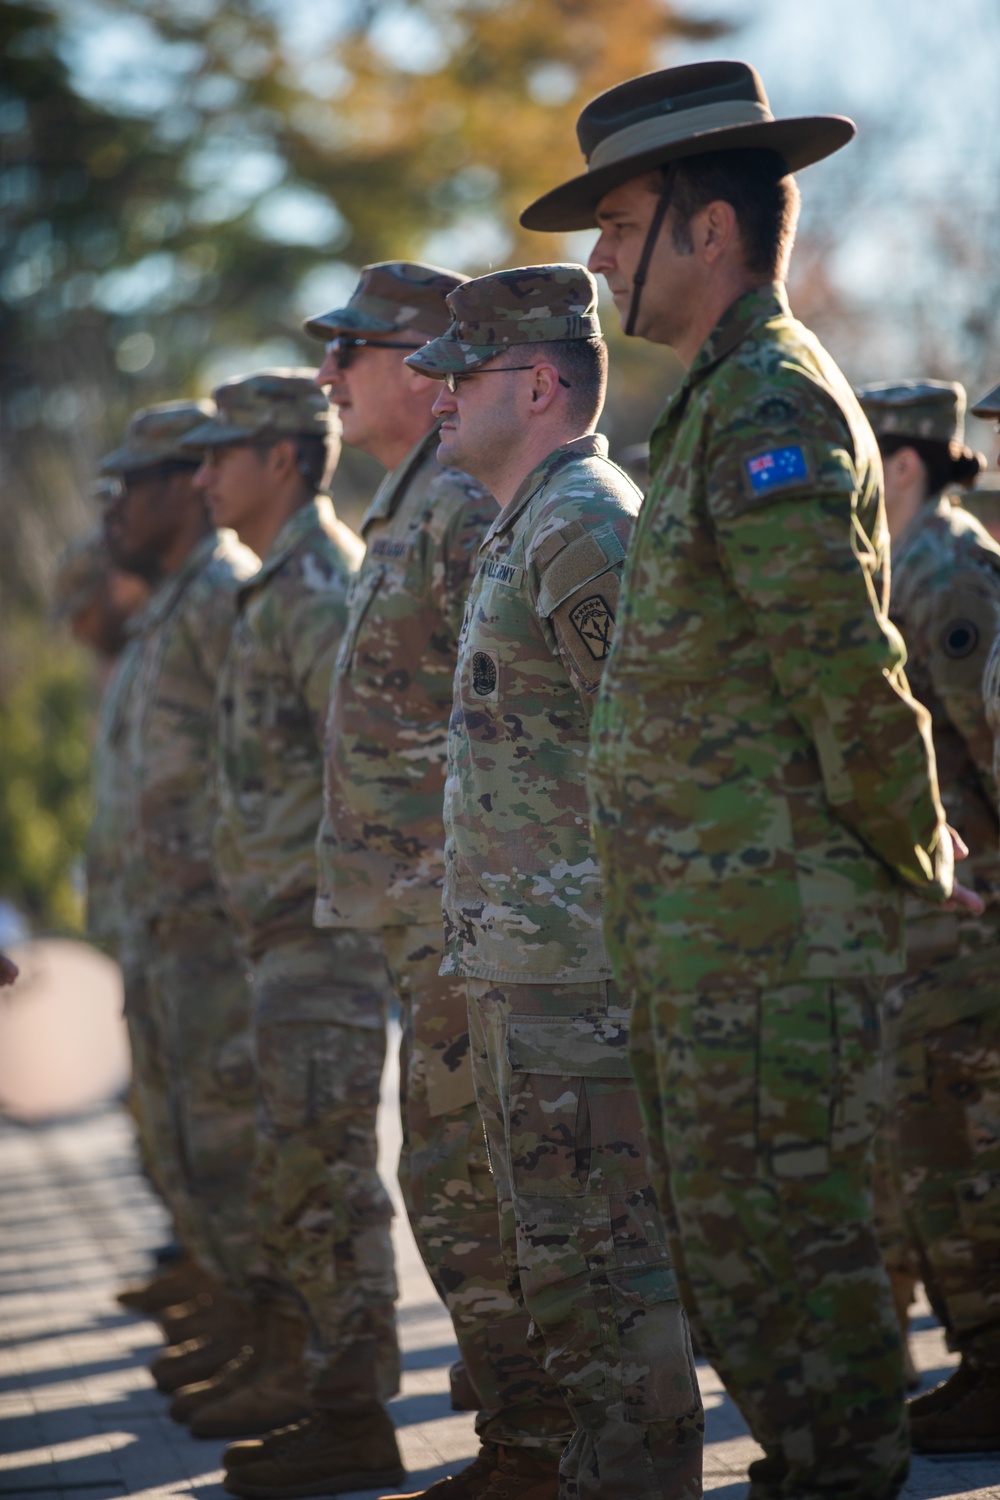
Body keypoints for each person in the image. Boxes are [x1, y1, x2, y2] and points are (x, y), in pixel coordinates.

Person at [521, 60, 982, 1500]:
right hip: (716, 945)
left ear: (706, 230)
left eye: (620, 220)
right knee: (747, 1269)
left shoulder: (773, 399)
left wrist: (918, 871)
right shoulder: (721, 404)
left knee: (799, 1270)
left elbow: (845, 672)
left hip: (772, 947)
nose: (597, 257)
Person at [405, 263, 703, 1500]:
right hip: (526, 979)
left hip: (580, 986)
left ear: (535, 383)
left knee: (608, 1281)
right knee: (565, 1283)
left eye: (455, 378)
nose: (432, 403)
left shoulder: (584, 524)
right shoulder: (526, 522)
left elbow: (661, 750)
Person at [308, 261, 574, 1500]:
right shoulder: (417, 500)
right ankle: (530, 1432)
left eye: (356, 352)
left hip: (478, 914)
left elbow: (540, 712)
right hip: (433, 911)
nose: (336, 376)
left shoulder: (467, 505)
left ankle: (543, 1442)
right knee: (462, 1181)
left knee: (477, 1188)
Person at [174, 370, 404, 1494]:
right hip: (282, 934)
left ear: (283, 460)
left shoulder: (317, 585)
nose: (203, 475)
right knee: (298, 1174)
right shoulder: (276, 582)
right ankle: (322, 1387)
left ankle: (352, 1413)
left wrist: (328, 894)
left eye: (224, 455)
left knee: (326, 1176)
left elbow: (363, 759)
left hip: (320, 935)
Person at [100, 401, 261, 1391]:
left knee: (236, 1136)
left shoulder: (219, 593)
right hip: (169, 919)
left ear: (183, 484)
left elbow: (261, 759)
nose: (117, 504)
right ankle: (234, 1309)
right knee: (191, 1133)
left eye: (133, 482)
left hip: (216, 923)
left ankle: (274, 1339)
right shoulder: (170, 603)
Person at [856, 380, 1000, 1450]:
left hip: (972, 924)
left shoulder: (946, 572)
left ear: (899, 465)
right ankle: (980, 1358)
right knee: (930, 1153)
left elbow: (982, 765)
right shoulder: (904, 569)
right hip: (930, 928)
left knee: (964, 1151)